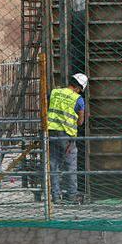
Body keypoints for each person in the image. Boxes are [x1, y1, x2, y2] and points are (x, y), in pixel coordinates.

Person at [47, 73, 88, 204]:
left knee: (53, 164)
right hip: (67, 136)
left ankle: (55, 196)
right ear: (79, 87)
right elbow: (80, 122)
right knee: (70, 166)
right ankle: (71, 195)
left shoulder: (54, 92)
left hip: (51, 132)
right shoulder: (78, 99)